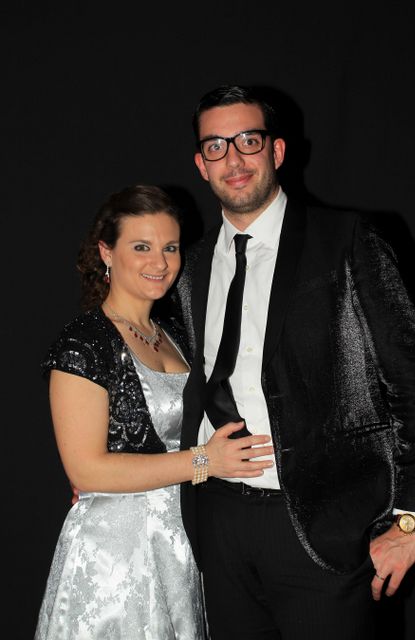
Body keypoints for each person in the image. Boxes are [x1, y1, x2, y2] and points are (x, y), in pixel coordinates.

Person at [175, 85, 415, 639]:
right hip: (218, 523)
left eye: (248, 140)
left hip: (326, 528)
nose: (233, 159)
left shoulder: (348, 239)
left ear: (277, 150)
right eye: (216, 146)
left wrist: (414, 520)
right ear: (200, 164)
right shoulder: (190, 267)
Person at [35, 184, 274, 640]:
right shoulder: (83, 343)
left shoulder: (176, 333)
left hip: (179, 542)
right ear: (106, 252)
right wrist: (205, 461)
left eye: (170, 247)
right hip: (113, 556)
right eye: (141, 247)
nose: (160, 263)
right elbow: (85, 470)